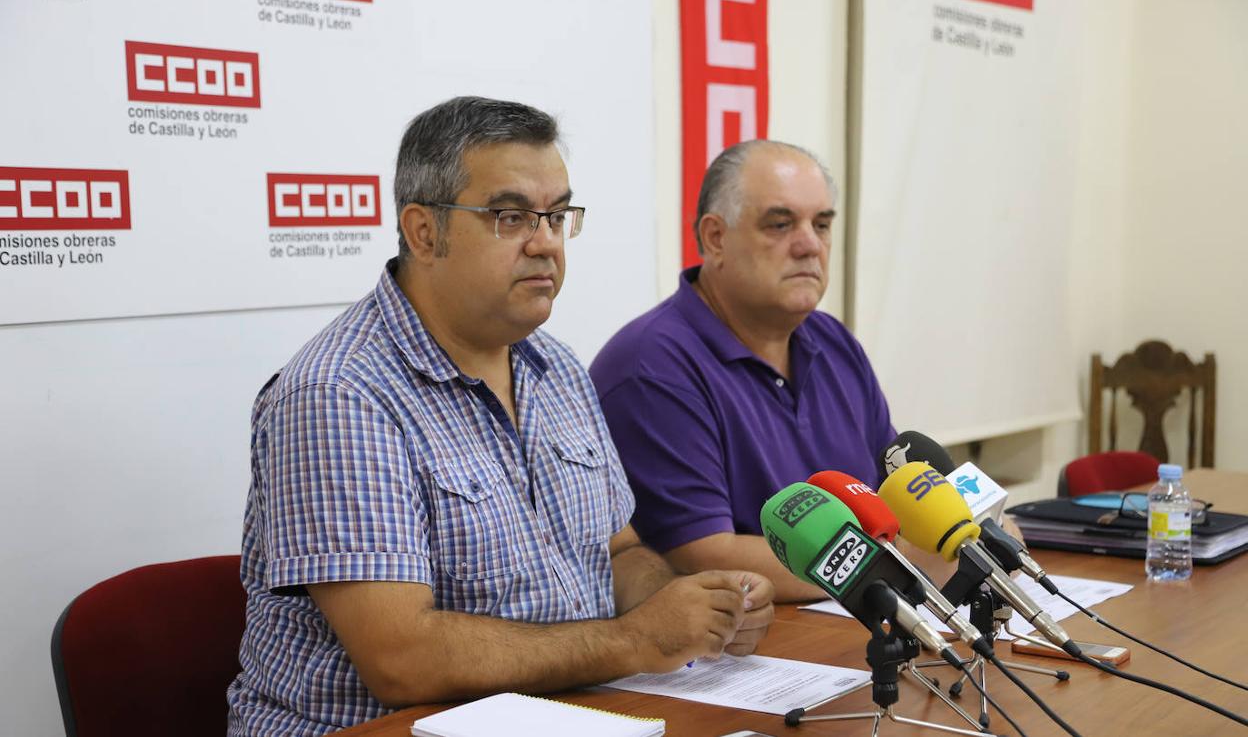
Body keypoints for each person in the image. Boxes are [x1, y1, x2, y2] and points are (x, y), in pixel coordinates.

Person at [227, 97, 774, 737]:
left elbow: (617, 551)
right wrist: (636, 639)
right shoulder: (340, 395)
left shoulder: (556, 367)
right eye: (510, 217)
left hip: (565, 714)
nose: (545, 243)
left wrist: (699, 605)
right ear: (424, 232)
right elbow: (402, 660)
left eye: (557, 215)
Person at [590, 140, 898, 603]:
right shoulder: (650, 365)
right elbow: (703, 555)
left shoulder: (834, 341)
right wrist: (892, 567)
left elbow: (893, 492)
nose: (810, 246)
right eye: (780, 224)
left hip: (853, 618)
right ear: (716, 238)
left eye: (821, 224)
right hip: (754, 637)